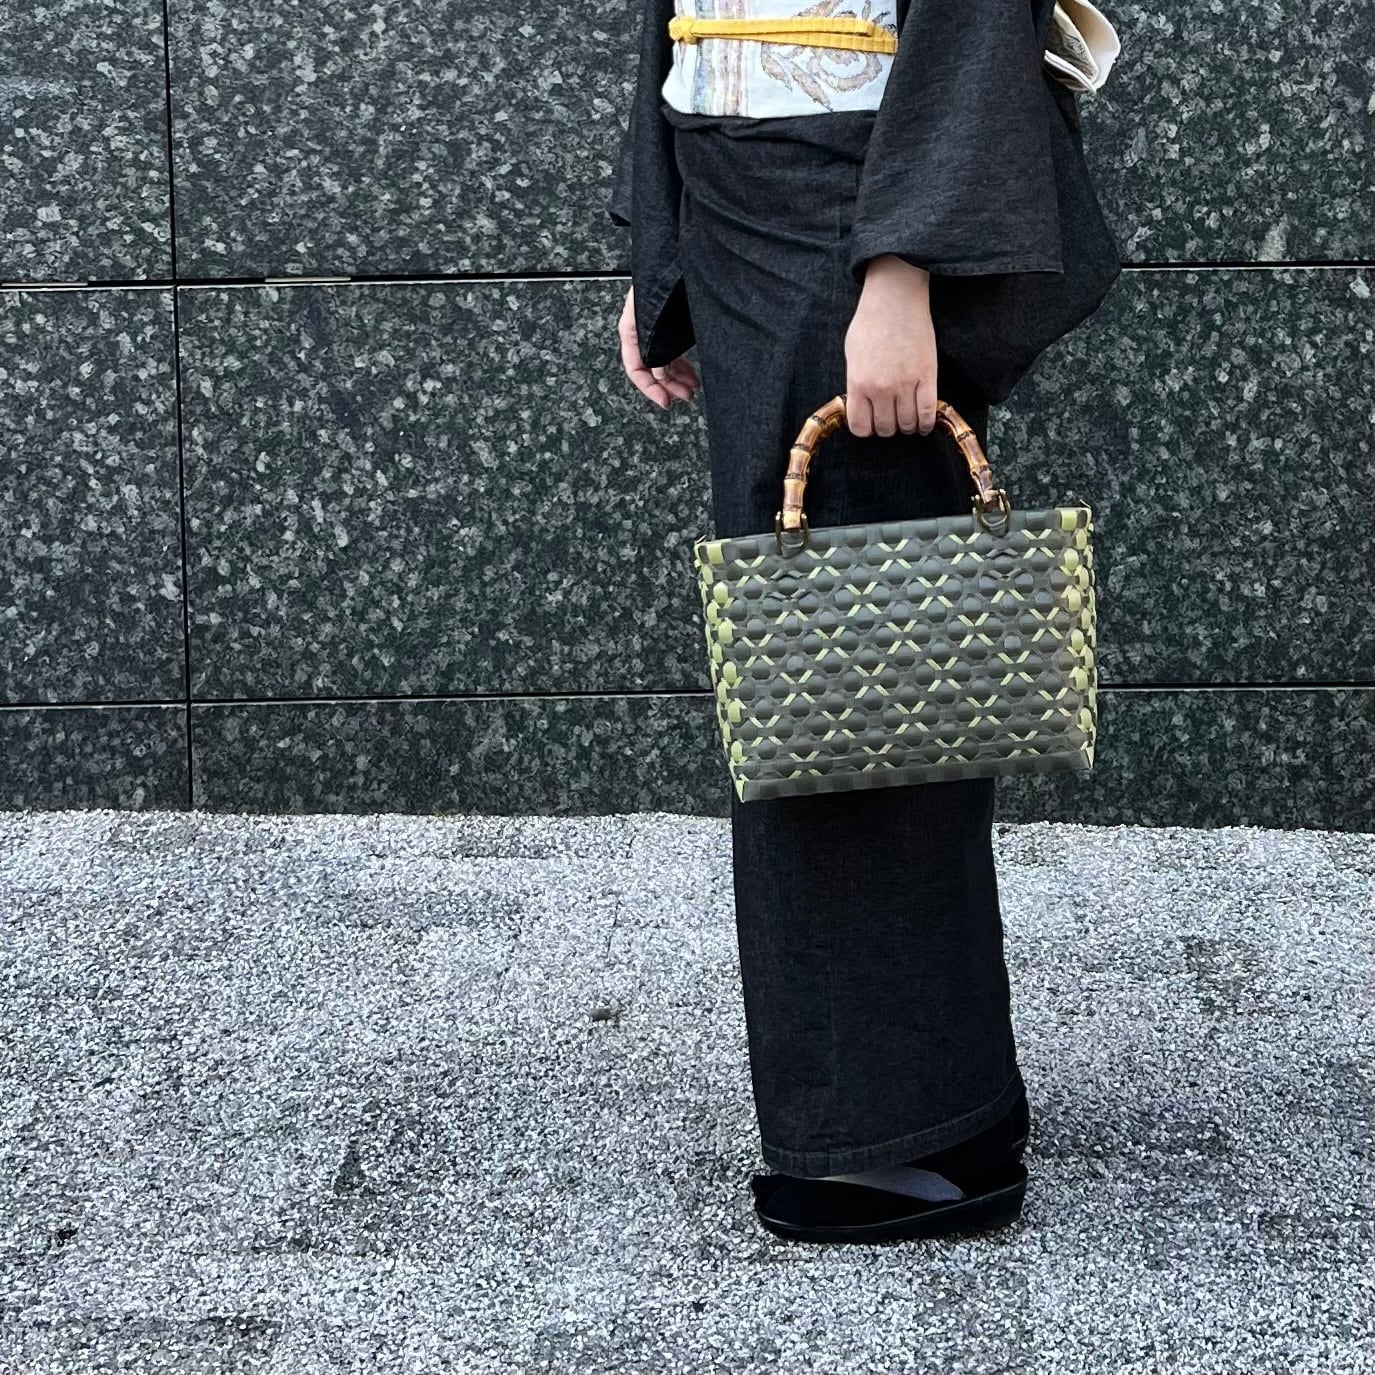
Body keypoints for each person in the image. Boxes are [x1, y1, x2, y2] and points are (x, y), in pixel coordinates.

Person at [607, 0, 1121, 1245]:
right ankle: (939, 1105)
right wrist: (661, 251)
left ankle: (899, 1133)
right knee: (827, 666)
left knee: (853, 678)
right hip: (733, 190)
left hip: (854, 193)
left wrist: (901, 270)